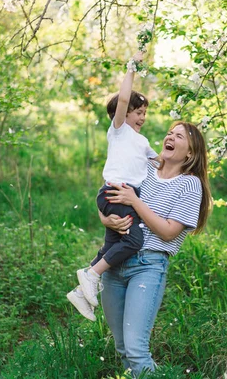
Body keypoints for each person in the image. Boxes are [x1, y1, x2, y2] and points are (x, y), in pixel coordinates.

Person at [99, 121, 212, 377]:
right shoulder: (145, 167)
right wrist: (106, 219)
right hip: (115, 260)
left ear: (191, 152)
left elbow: (169, 231)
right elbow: (109, 190)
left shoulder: (190, 185)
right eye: (170, 133)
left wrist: (135, 202)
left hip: (147, 267)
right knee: (122, 348)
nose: (170, 137)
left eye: (179, 136)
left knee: (136, 350)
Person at [66, 51, 158, 321]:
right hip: (116, 191)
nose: (142, 117)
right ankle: (91, 274)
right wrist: (132, 68)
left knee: (112, 245)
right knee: (133, 240)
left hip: (127, 195)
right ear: (123, 113)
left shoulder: (142, 142)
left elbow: (160, 163)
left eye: (144, 113)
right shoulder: (119, 130)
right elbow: (125, 99)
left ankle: (81, 293)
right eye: (138, 112)